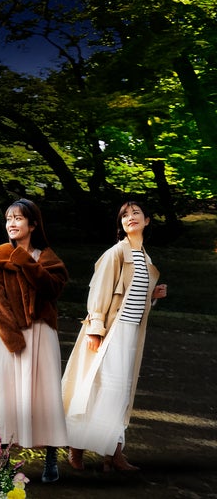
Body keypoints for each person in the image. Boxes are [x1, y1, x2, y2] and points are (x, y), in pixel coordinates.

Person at [61, 200, 168, 472]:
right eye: (125, 215)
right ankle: (76, 448)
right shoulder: (115, 253)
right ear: (121, 224)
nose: (130, 217)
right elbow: (98, 292)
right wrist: (95, 329)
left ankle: (113, 452)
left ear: (147, 221)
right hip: (111, 333)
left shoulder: (146, 258)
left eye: (136, 213)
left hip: (131, 334)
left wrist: (152, 297)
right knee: (97, 388)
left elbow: (134, 299)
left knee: (120, 394)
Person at [0, 197, 69, 483]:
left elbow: (52, 291)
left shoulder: (48, 258)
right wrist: (12, 337)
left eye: (17, 218)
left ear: (33, 224)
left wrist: (26, 261)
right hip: (9, 337)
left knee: (46, 395)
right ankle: (2, 458)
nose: (11, 224)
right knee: (9, 395)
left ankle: (51, 457)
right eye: (8, 219)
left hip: (43, 333)